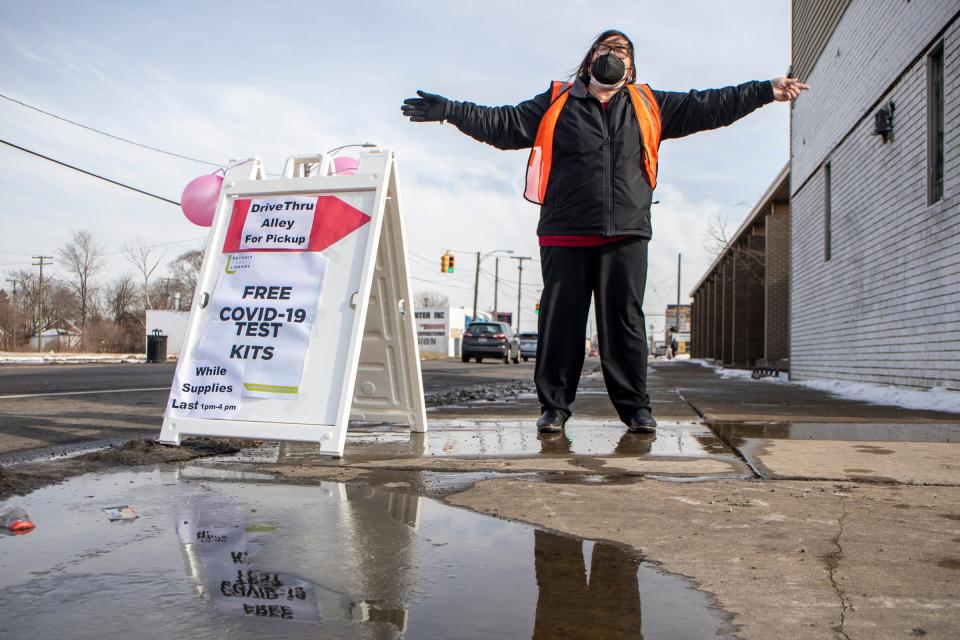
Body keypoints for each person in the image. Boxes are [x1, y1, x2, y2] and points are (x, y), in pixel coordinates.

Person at [401, 29, 807, 435]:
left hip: (626, 233)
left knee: (624, 323)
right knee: (561, 323)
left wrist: (764, 90)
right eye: (606, 47)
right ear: (590, 57)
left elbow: (711, 104)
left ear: (631, 65)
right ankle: (554, 408)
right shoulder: (557, 101)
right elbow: (502, 123)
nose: (614, 54)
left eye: (622, 50)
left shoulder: (649, 103)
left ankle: (636, 410)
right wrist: (451, 110)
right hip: (565, 231)